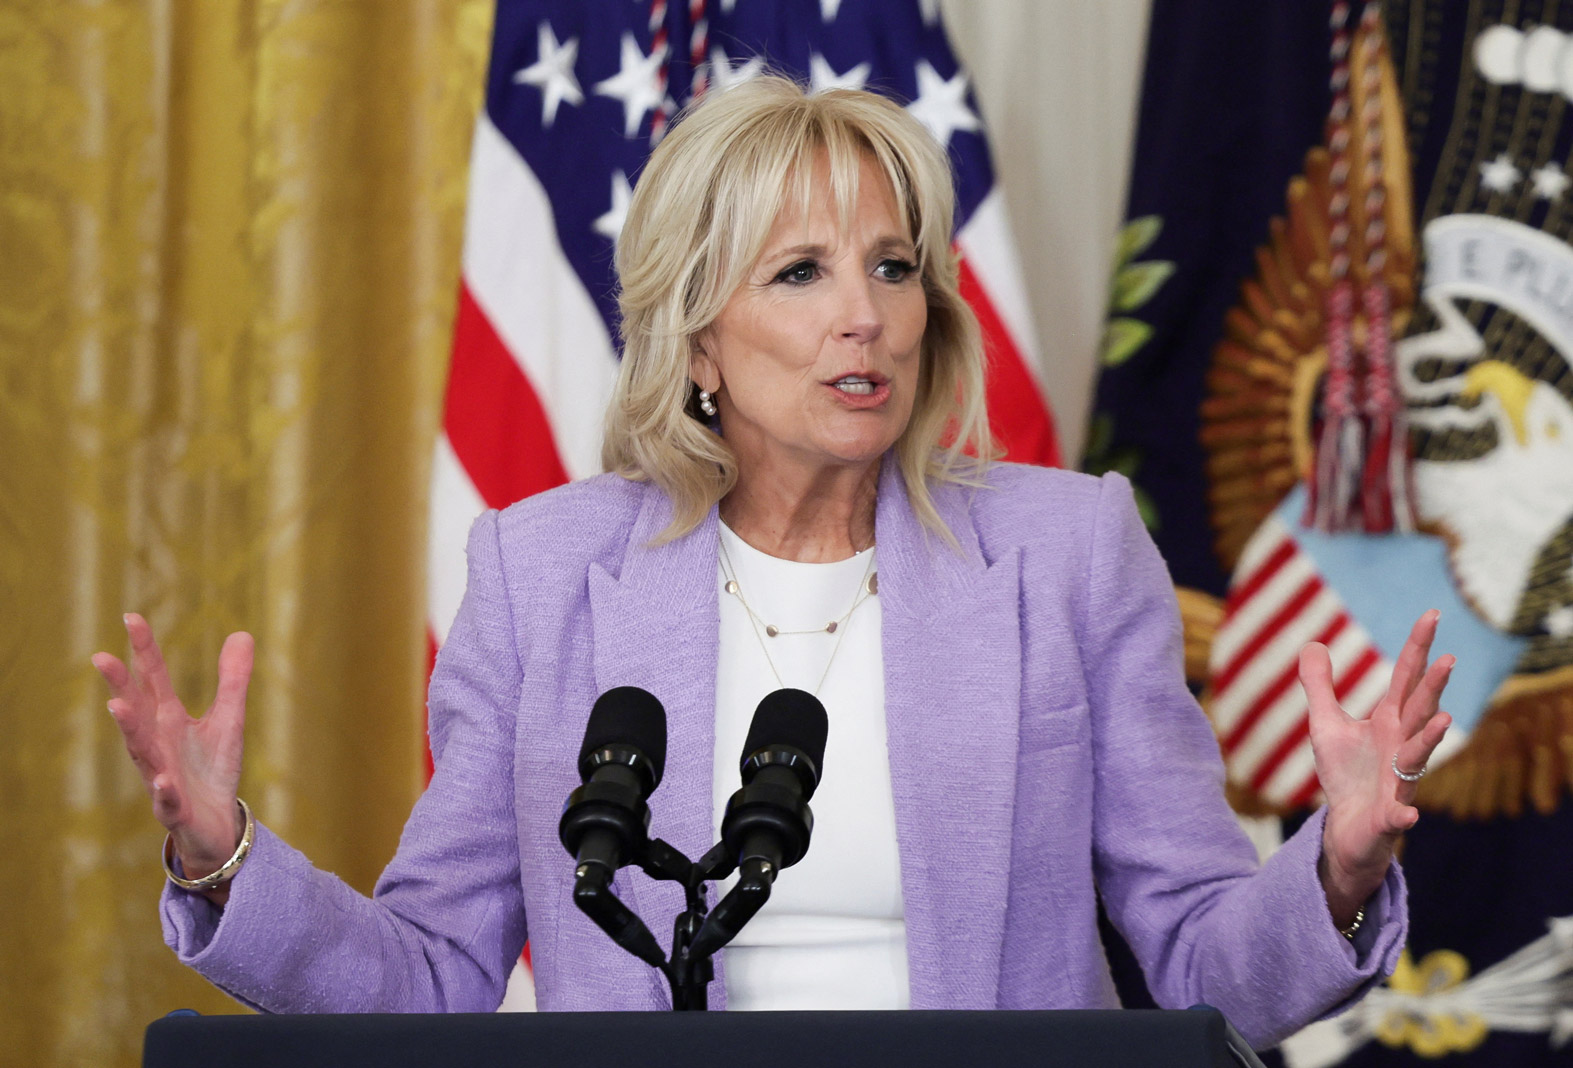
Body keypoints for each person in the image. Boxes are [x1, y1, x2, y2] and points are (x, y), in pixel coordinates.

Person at [93, 76, 1452, 1047]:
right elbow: (438, 975)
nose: (862, 314)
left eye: (893, 265)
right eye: (798, 272)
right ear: (695, 338)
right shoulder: (542, 574)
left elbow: (1204, 963)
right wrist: (228, 863)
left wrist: (1331, 869)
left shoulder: (1064, 551)